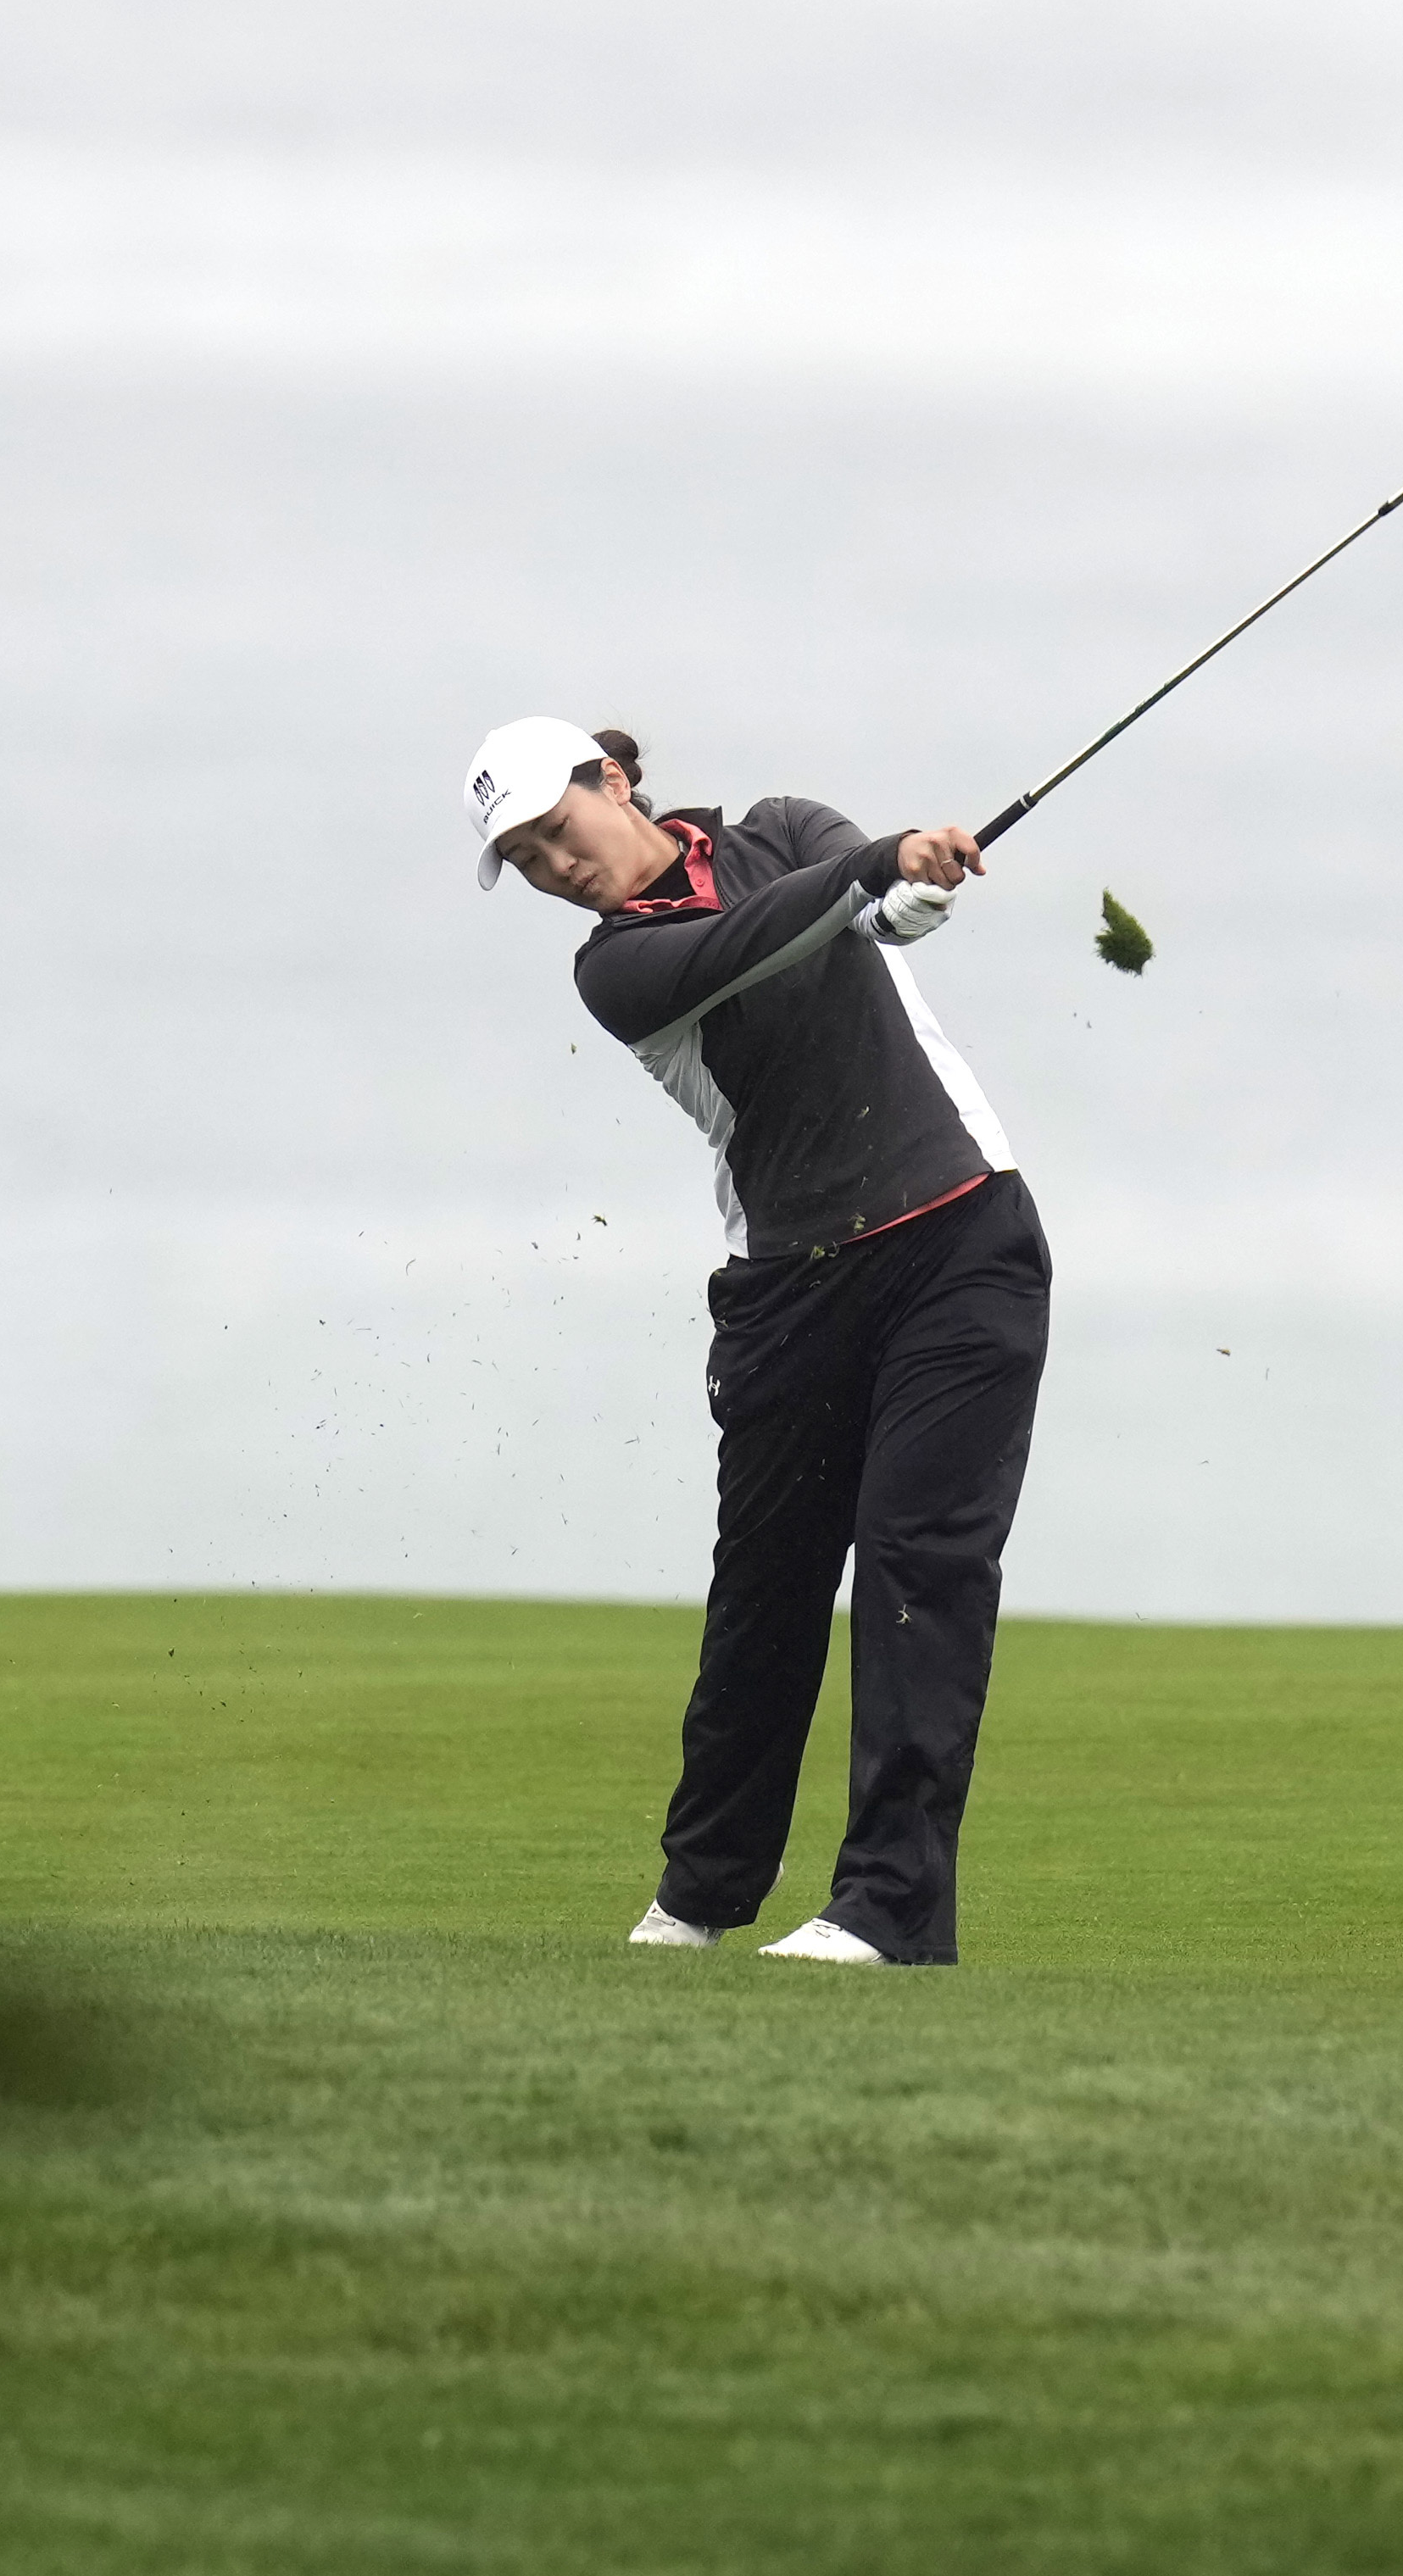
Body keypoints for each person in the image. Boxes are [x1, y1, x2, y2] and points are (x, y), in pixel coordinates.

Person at [465, 714, 1043, 1969]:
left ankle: (885, 1912)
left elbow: (870, 916)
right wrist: (878, 865)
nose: (555, 867)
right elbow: (758, 938)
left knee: (920, 1571)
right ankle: (701, 1894)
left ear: (611, 782)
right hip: (793, 1287)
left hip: (960, 1244)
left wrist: (912, 880)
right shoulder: (616, 970)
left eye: (555, 830)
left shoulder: (775, 830)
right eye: (524, 860)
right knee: (765, 1598)